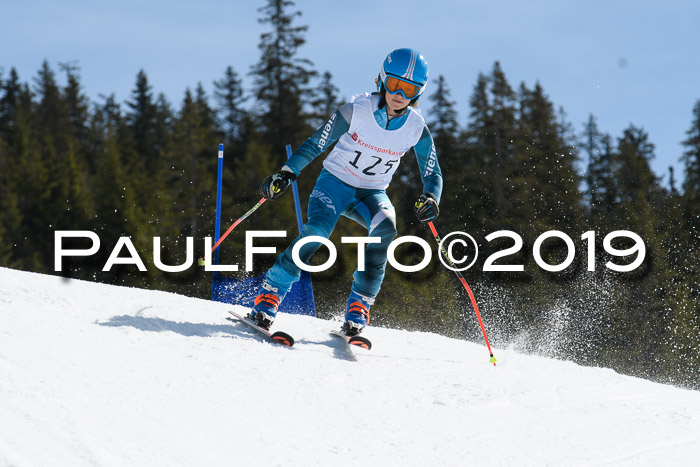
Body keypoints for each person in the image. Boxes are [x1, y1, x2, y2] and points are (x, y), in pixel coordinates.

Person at [249, 48, 443, 336]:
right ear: (382, 80)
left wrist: (431, 197)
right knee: (317, 232)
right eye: (394, 84)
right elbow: (316, 143)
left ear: (418, 92)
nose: (399, 94)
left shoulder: (416, 127)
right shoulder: (358, 110)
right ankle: (269, 295)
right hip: (334, 184)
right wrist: (286, 174)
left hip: (371, 194)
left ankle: (359, 306)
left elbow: (432, 170)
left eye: (409, 88)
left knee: (386, 229)